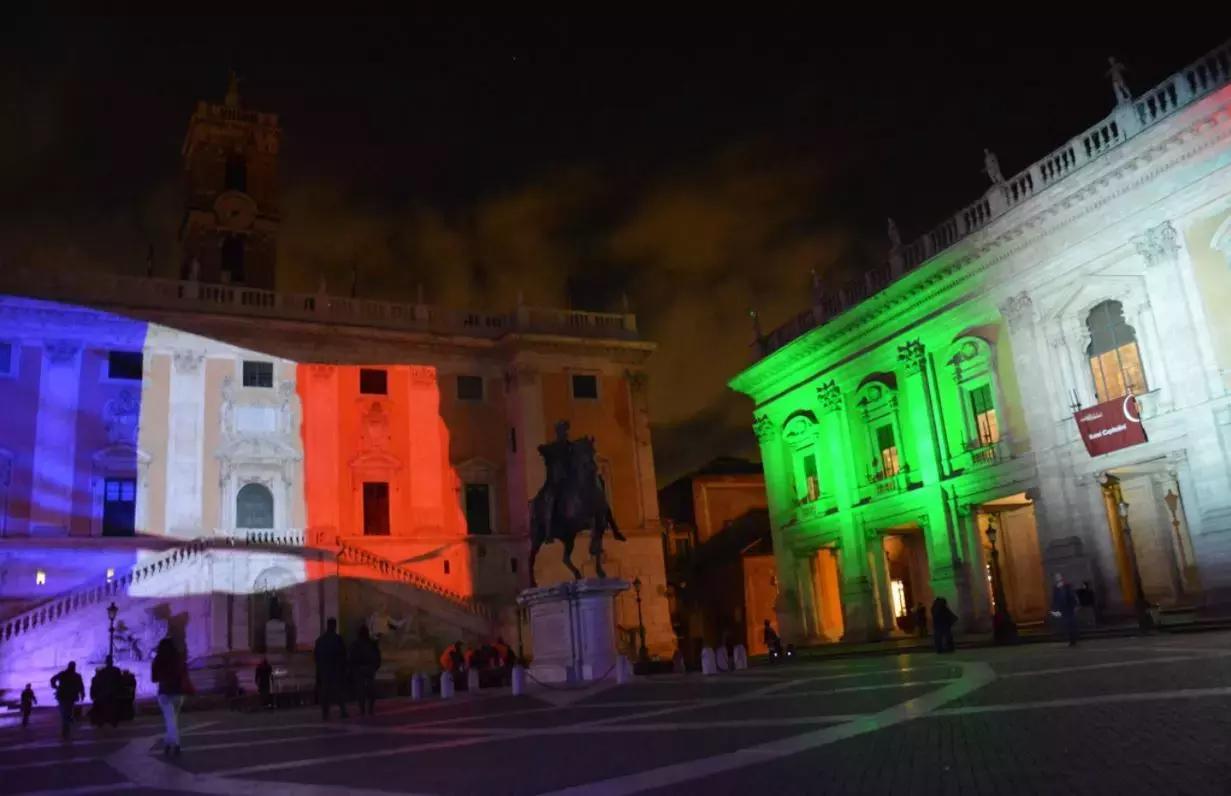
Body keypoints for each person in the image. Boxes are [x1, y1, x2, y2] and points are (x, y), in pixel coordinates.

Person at [151, 638, 193, 755]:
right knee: (173, 720)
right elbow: (185, 675)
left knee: (170, 720)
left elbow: (154, 679)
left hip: (164, 693)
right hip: (178, 693)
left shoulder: (158, 660)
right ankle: (169, 744)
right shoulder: (179, 660)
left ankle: (175, 744)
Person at [314, 617, 349, 719]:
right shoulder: (338, 639)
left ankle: (325, 713)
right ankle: (343, 711)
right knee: (338, 692)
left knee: (325, 693)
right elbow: (343, 655)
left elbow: (316, 656)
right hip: (336, 669)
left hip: (325, 670)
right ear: (334, 626)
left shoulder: (320, 640)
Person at [350, 625, 381, 717]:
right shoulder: (371, 644)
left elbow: (351, 658)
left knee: (361, 691)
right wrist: (375, 666)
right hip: (368, 669)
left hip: (360, 669)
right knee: (370, 691)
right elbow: (377, 657)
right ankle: (369, 709)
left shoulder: (356, 644)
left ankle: (363, 710)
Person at [50, 661, 85, 741]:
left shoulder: (65, 674)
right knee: (66, 714)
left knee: (66, 714)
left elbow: (53, 680)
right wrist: (82, 694)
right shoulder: (75, 676)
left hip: (65, 697)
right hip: (67, 697)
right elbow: (81, 686)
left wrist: (55, 686)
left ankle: (65, 731)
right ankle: (66, 731)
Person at [89, 656, 124, 728]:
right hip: (113, 693)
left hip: (105, 693)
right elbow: (120, 682)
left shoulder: (103, 672)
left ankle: (104, 722)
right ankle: (113, 722)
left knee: (106, 708)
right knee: (112, 708)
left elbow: (98, 684)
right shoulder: (116, 670)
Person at [1051, 573, 1079, 647]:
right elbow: (1055, 599)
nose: (1057, 578)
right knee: (1067, 624)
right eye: (1056, 577)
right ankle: (1071, 640)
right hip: (1062, 608)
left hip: (1069, 607)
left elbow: (1072, 595)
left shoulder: (1067, 585)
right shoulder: (1055, 588)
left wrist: (1075, 605)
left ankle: (1073, 640)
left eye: (1058, 576)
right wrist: (1054, 609)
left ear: (1062, 577)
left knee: (1071, 624)